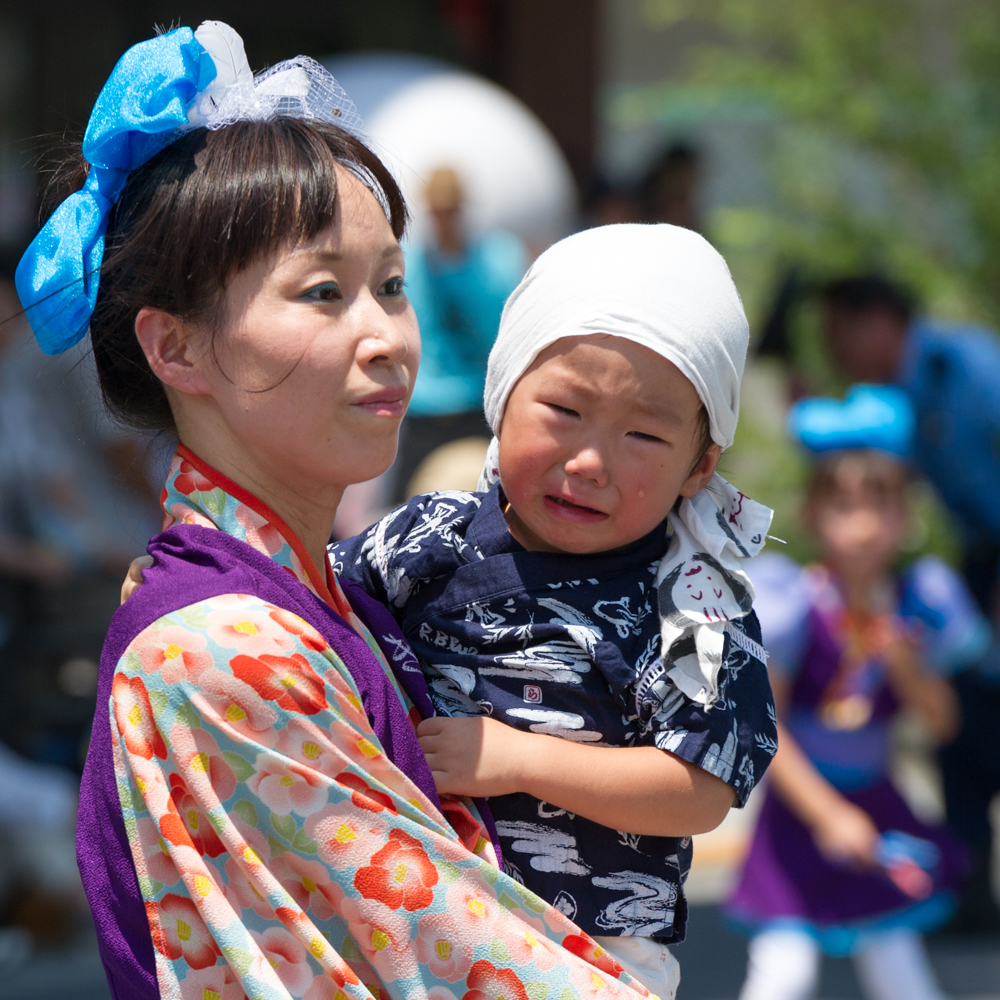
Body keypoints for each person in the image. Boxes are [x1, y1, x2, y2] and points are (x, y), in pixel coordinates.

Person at [16, 24, 657, 1000]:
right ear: (176, 349)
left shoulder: (287, 592)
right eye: (323, 292)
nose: (386, 336)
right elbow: (466, 955)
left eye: (391, 286)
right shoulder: (222, 646)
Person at [330, 224, 779, 998]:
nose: (590, 461)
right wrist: (202, 577)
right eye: (564, 410)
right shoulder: (427, 538)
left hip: (592, 951)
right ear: (501, 395)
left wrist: (513, 759)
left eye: (643, 433)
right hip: (409, 917)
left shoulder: (695, 605)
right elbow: (305, 600)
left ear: (699, 467)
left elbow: (701, 789)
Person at [727, 387, 968, 1000]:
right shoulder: (794, 603)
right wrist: (828, 814)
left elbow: (943, 723)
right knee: (784, 974)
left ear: (906, 514)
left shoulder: (921, 604)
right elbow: (766, 726)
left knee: (901, 971)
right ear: (813, 514)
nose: (863, 526)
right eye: (844, 506)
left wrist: (905, 663)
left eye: (881, 505)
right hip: (800, 813)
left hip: (877, 805)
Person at [822, 275, 1000, 932]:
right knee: (963, 726)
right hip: (977, 564)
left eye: (838, 332)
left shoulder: (969, 369)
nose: (833, 349)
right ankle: (969, 886)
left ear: (879, 322)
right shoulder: (900, 396)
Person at [393, 167, 527, 500]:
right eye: (438, 211)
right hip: (424, 412)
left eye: (450, 209)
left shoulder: (497, 260)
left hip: (476, 405)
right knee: (399, 509)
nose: (444, 219)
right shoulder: (408, 263)